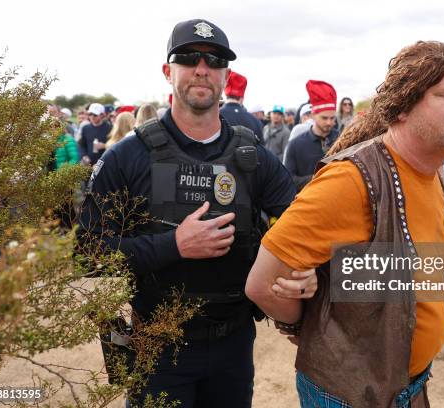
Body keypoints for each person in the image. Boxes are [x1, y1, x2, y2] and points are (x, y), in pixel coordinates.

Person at [79, 18, 313, 407]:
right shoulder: (128, 157)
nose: (202, 68)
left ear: (226, 75)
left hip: (233, 345)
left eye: (215, 60)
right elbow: (88, 251)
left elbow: (299, 226)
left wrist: (302, 273)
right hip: (158, 346)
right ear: (168, 71)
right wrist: (174, 244)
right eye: (189, 58)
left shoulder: (253, 158)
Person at [246, 40, 444, 408]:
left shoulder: (429, 172)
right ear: (402, 108)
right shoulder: (351, 182)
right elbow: (262, 283)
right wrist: (303, 326)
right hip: (350, 393)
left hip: (408, 386)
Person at [284, 80, 339, 191]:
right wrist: (317, 178)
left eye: (332, 118)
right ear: (313, 115)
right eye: (324, 118)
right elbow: (288, 179)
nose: (329, 122)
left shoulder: (342, 139)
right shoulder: (296, 144)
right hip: (308, 202)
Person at [219, 71, 264, 141]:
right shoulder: (256, 121)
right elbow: (261, 149)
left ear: (226, 94)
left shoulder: (214, 116)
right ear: (242, 98)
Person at [77, 102, 112, 167]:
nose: (92, 117)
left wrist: (105, 145)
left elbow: (115, 144)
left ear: (102, 115)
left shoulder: (109, 128)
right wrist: (84, 156)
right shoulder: (85, 128)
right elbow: (81, 145)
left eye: (95, 114)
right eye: (90, 114)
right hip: (89, 164)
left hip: (105, 164)